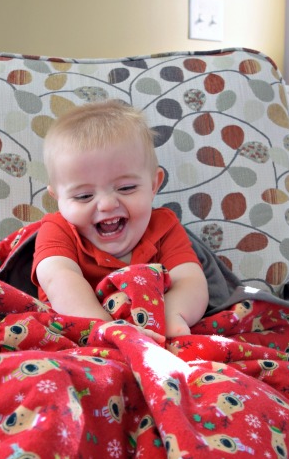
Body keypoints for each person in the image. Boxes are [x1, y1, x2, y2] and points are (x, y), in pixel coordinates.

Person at [32, 100, 209, 339]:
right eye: (84, 196)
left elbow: (190, 280)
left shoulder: (163, 227)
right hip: (81, 340)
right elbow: (59, 279)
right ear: (58, 199)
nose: (106, 204)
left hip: (159, 336)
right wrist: (108, 330)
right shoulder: (58, 230)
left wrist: (171, 318)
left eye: (125, 188)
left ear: (154, 184)